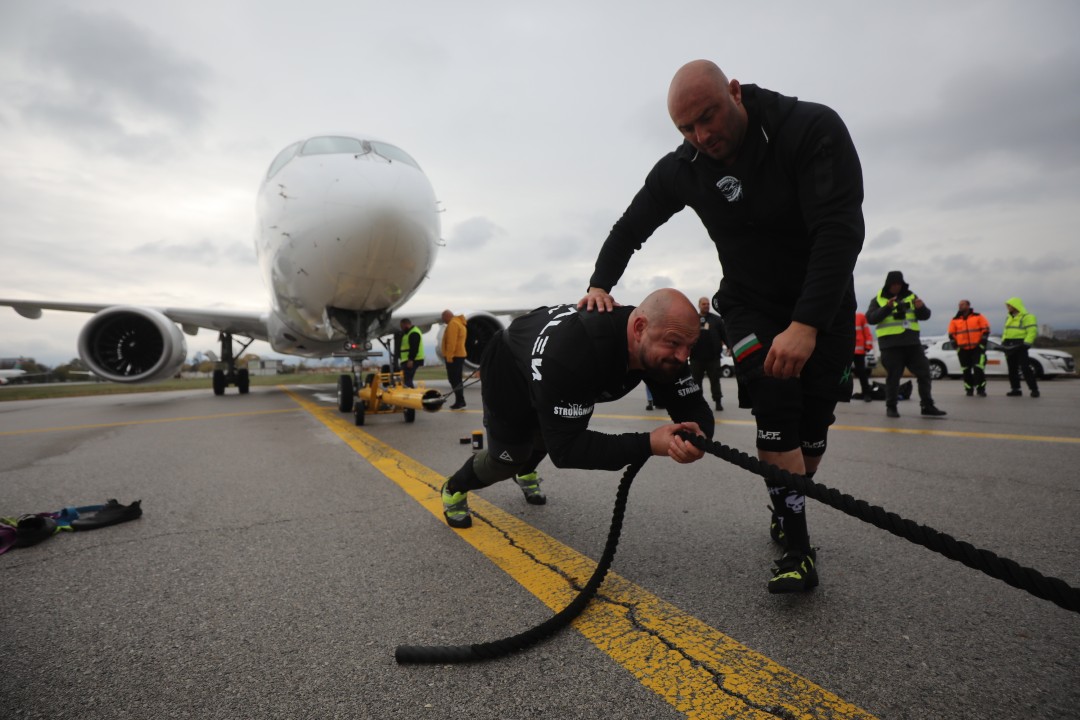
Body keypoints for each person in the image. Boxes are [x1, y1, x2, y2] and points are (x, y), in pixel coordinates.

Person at [580, 59, 864, 593]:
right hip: (749, 305)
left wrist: (806, 324)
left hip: (820, 301)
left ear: (734, 92)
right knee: (775, 405)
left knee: (812, 431)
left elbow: (840, 230)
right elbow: (630, 227)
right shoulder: (683, 167)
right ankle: (798, 549)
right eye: (686, 128)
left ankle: (787, 503)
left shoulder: (809, 128)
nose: (701, 136)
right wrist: (599, 284)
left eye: (707, 117)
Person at [440, 288, 713, 528]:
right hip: (510, 367)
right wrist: (649, 444)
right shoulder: (576, 353)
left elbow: (692, 405)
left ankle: (526, 471)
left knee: (543, 437)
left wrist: (700, 435)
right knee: (508, 459)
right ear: (639, 328)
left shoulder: (665, 338)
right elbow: (567, 450)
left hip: (550, 363)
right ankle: (454, 488)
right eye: (675, 344)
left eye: (690, 346)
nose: (682, 356)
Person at [865, 271, 945, 418]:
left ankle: (927, 405)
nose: (896, 287)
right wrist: (887, 307)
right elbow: (871, 318)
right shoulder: (878, 299)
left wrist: (921, 308)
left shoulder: (911, 296)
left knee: (925, 373)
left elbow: (925, 315)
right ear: (888, 285)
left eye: (899, 284)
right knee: (893, 377)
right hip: (890, 346)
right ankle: (891, 407)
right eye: (893, 284)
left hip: (912, 344)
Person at [690, 296, 728, 411]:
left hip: (713, 358)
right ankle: (697, 403)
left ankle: (718, 401)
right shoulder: (692, 320)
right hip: (696, 358)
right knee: (696, 383)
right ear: (699, 305)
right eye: (704, 304)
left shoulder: (716, 320)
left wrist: (730, 346)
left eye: (708, 304)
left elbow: (724, 334)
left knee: (715, 381)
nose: (706, 306)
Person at [947, 300, 990, 397]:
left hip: (977, 348)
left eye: (962, 304)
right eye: (959, 305)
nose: (960, 306)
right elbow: (951, 335)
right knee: (966, 370)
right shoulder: (955, 320)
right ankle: (969, 389)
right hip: (963, 350)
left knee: (978, 369)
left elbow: (986, 330)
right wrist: (956, 347)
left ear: (968, 305)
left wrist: (982, 344)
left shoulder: (978, 316)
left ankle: (981, 389)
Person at [1002, 297, 1040, 398]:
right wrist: (1003, 342)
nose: (1008, 307)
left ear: (1015, 306)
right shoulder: (1009, 317)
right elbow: (1006, 331)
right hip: (1009, 344)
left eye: (1009, 305)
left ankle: (1034, 389)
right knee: (1012, 368)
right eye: (1007, 305)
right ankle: (1015, 389)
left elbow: (1032, 331)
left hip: (1021, 344)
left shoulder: (1027, 317)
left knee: (1025, 368)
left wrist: (1027, 343)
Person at [440, 309, 469, 409]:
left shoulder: (453, 324)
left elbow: (451, 342)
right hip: (459, 355)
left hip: (454, 356)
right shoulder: (460, 323)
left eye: (443, 318)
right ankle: (460, 400)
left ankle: (460, 401)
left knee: (453, 379)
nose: (443, 320)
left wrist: (449, 357)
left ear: (447, 316)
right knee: (457, 379)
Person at [852, 311, 874, 401]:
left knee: (861, 372)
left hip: (858, 350)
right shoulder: (839, 316)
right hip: (845, 349)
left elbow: (866, 331)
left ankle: (866, 393)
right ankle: (841, 393)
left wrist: (868, 345)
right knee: (843, 373)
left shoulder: (860, 316)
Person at [398, 318, 424, 388]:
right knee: (405, 379)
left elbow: (414, 348)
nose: (401, 328)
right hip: (408, 360)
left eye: (402, 326)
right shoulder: (408, 333)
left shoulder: (413, 333)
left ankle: (409, 392)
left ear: (406, 325)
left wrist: (411, 360)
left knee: (406, 380)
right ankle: (409, 391)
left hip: (413, 360)